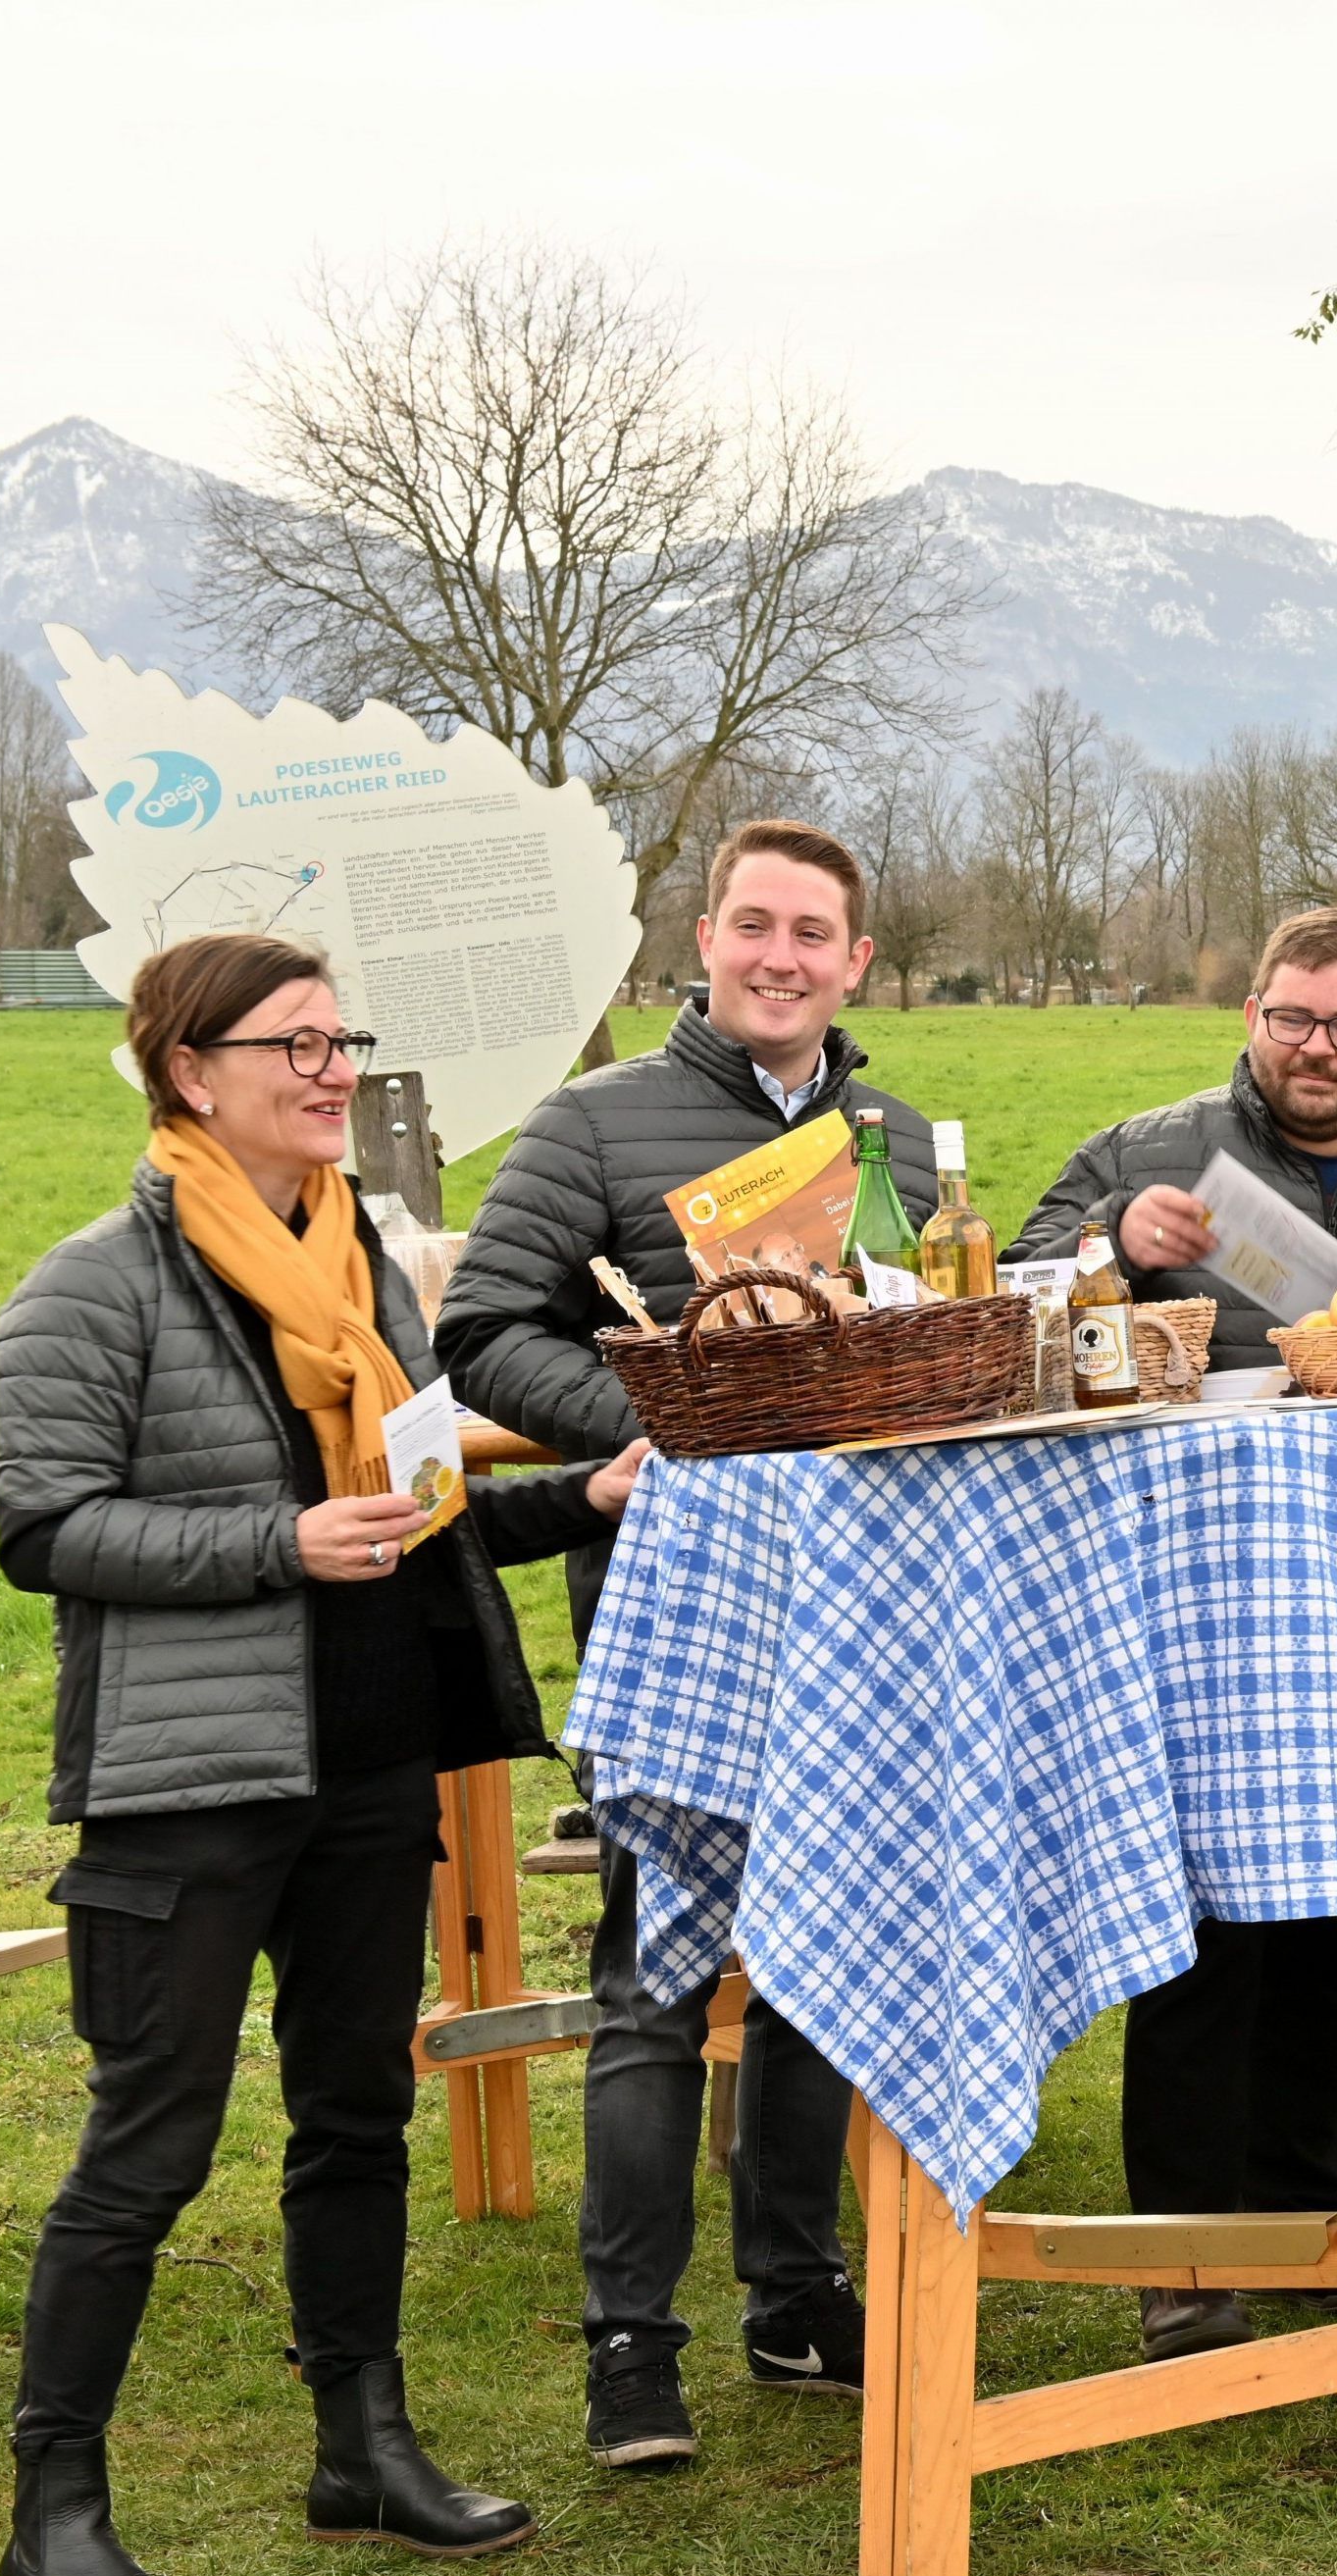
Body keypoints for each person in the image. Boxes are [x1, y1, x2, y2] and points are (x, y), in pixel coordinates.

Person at [0, 933, 645, 2576]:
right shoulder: (96, 1282)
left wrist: (573, 1501)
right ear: (186, 1072)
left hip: (367, 1771)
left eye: (339, 1036)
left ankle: (364, 2446)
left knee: (356, 2120)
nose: (329, 1066)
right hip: (190, 1787)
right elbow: (41, 1529)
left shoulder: (366, 1273)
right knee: (150, 2145)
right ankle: (52, 2511)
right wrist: (270, 1544)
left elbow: (411, 1518)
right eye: (290, 1043)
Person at [436, 819, 935, 2470]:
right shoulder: (594, 1123)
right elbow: (483, 1329)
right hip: (676, 1613)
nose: (782, 957)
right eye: (755, 927)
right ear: (702, 941)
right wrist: (646, 1430)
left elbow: (917, 1334)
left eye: (816, 934)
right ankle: (628, 2348)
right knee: (658, 1981)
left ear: (858, 963)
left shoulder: (896, 1138)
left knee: (811, 1970)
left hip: (859, 1611)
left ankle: (794, 2295)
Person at [1014, 905, 1337, 2362]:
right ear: (1251, 1012)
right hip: (1185, 1615)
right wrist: (1107, 1244)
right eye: (1288, 1017)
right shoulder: (1150, 1151)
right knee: (1202, 1919)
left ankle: (1310, 2229)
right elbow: (1009, 1294)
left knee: (1323, 1913)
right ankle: (1187, 2253)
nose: (1313, 1047)